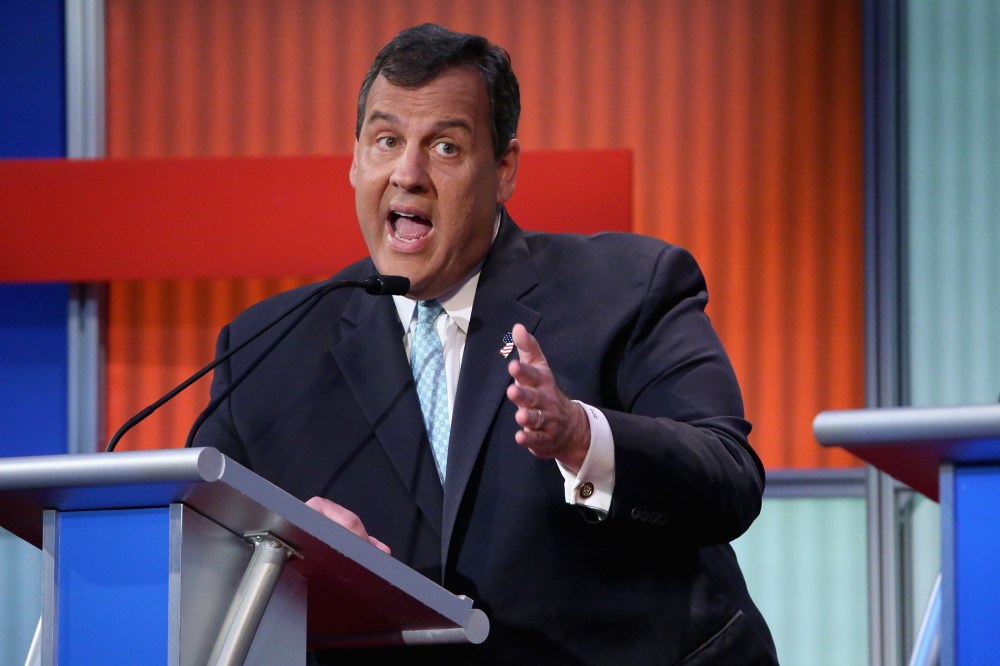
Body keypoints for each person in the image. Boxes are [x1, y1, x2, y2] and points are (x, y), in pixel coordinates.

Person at [193, 22, 778, 665]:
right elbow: (194, 545)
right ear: (356, 161)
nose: (408, 174)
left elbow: (729, 477)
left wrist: (582, 437)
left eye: (445, 147)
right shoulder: (266, 350)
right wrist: (286, 543)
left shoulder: (629, 286)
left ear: (503, 170)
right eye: (387, 141)